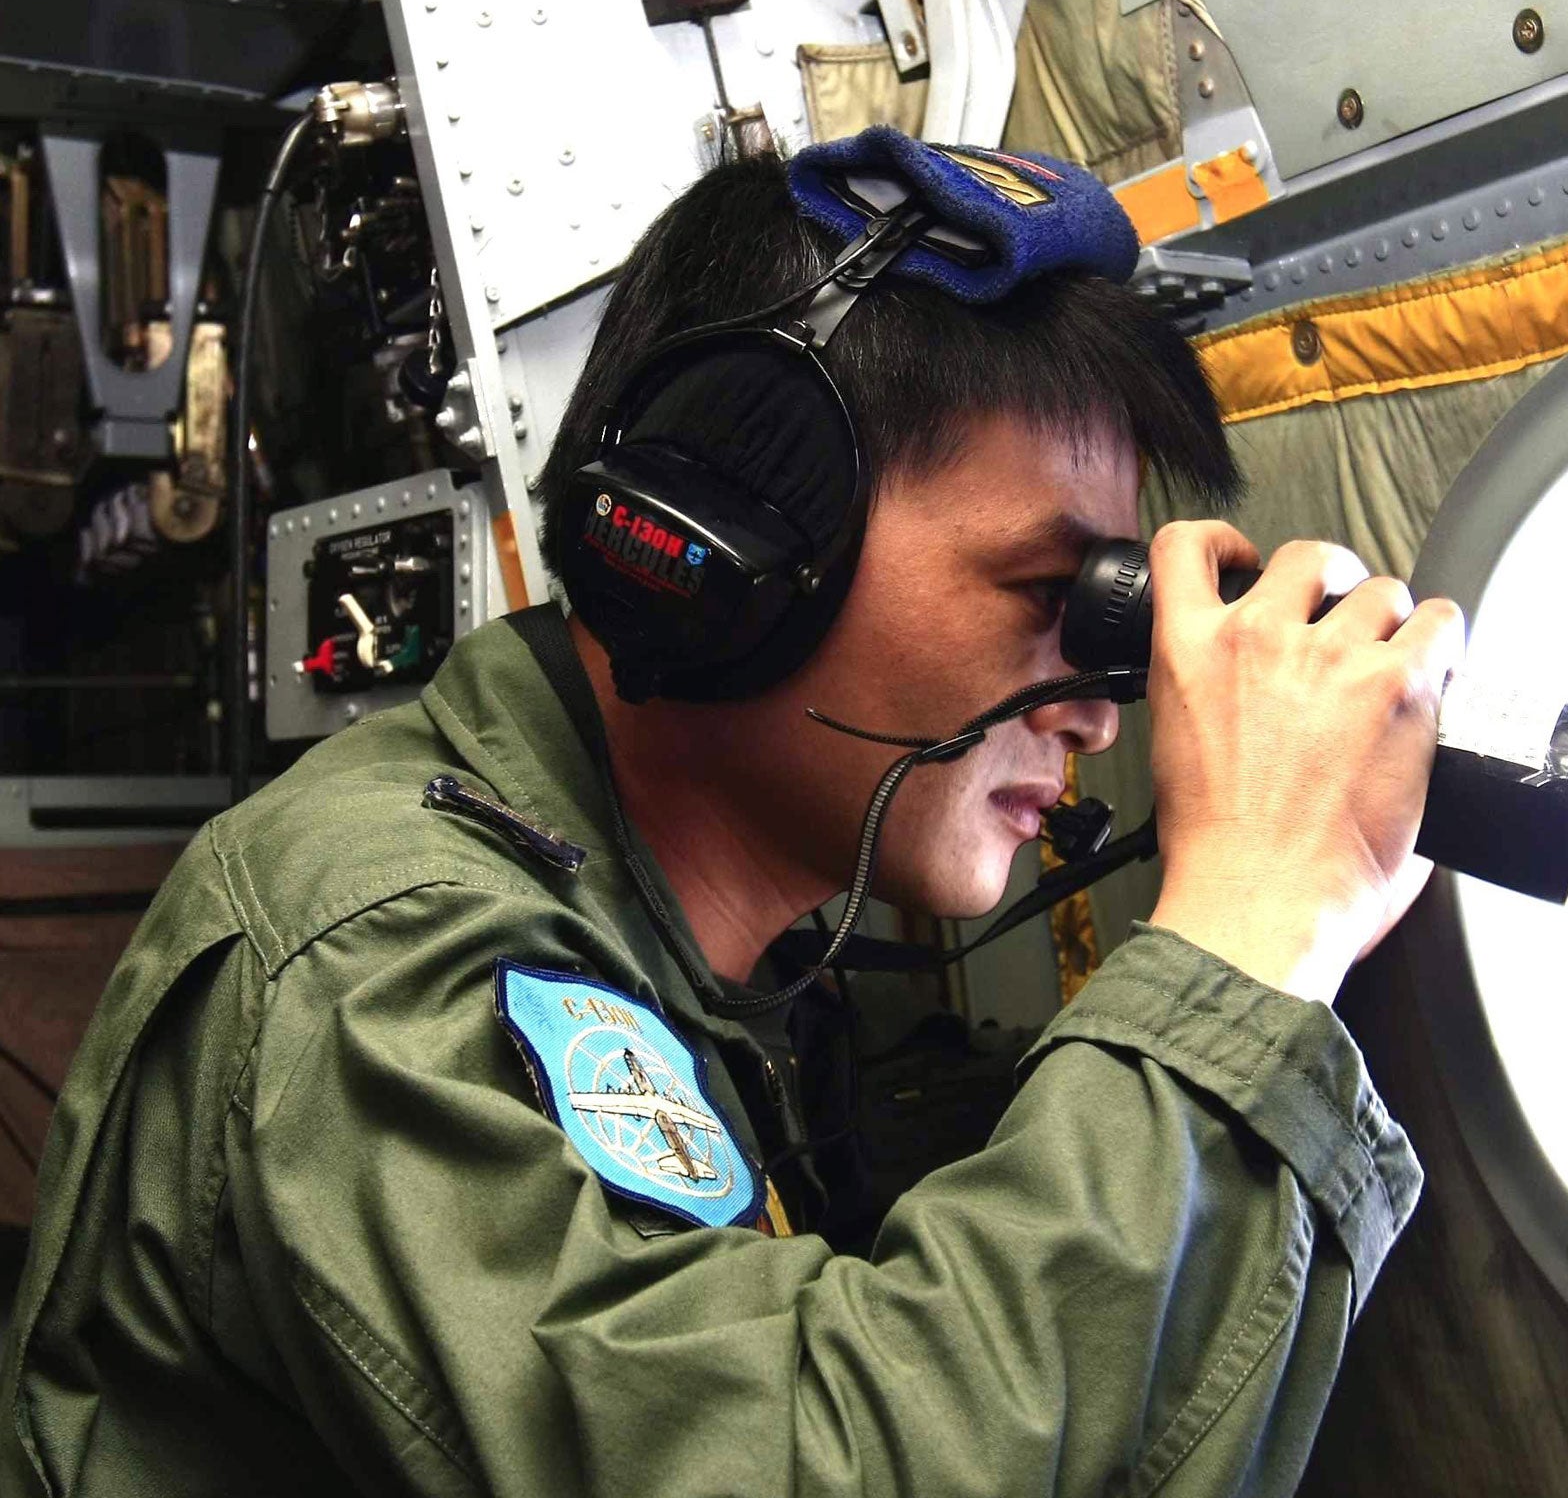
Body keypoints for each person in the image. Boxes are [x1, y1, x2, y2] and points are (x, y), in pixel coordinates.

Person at [0, 142, 1463, 1495]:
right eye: (1048, 600)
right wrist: (1241, 939)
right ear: (725, 547)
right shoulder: (372, 954)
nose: (1097, 710)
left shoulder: (708, 956)